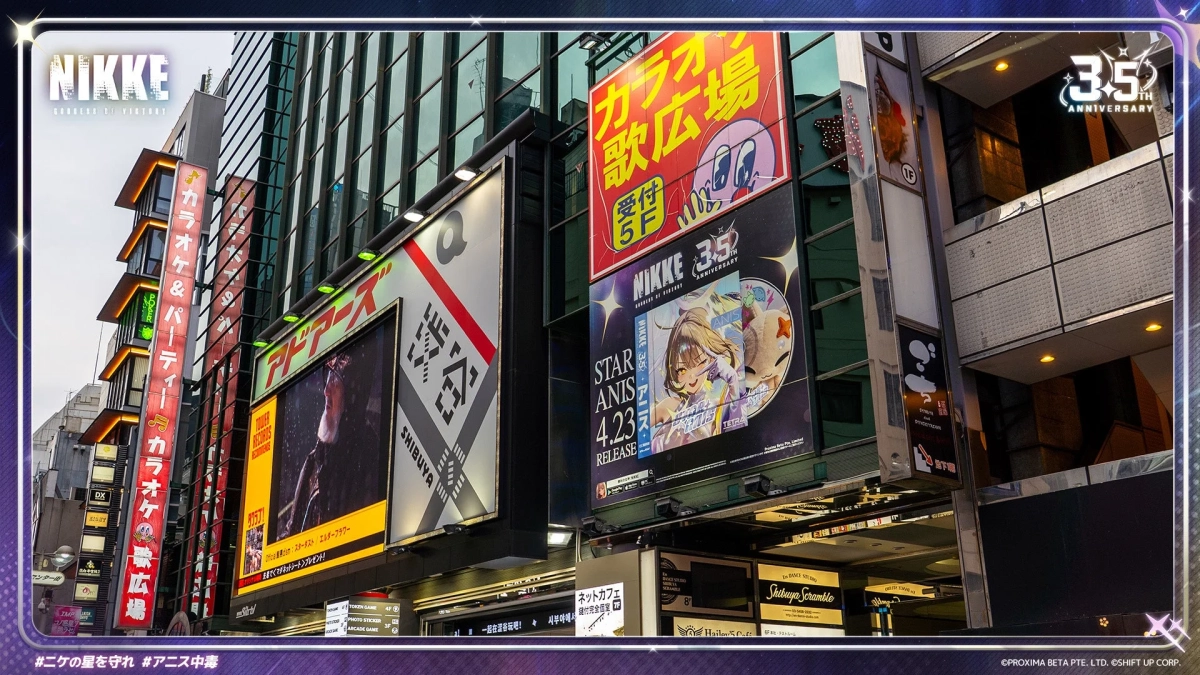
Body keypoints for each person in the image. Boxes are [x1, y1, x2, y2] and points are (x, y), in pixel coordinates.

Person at [651, 307, 746, 453]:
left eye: (699, 363)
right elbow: (634, 436)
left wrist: (733, 380)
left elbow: (736, 435)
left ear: (710, 359)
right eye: (682, 370)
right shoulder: (668, 406)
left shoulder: (716, 406)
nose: (691, 376)